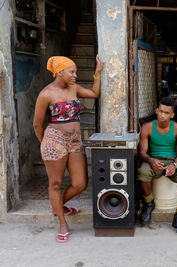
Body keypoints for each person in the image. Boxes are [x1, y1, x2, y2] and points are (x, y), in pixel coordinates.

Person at [33, 55, 105, 242]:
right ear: (59, 72)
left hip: (75, 141)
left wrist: (97, 73)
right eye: (71, 72)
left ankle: (58, 205)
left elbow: (94, 94)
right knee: (55, 184)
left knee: (80, 183)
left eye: (75, 72)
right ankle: (63, 223)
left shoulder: (74, 88)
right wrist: (46, 143)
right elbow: (37, 124)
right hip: (54, 141)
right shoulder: (46, 94)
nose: (75, 75)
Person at [138, 97, 177, 236]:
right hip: (154, 161)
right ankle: (149, 203)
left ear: (172, 115)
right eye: (160, 111)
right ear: (157, 111)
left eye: (166, 113)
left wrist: (174, 165)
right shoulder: (147, 127)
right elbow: (142, 152)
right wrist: (151, 161)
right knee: (143, 172)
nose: (162, 115)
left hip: (172, 161)